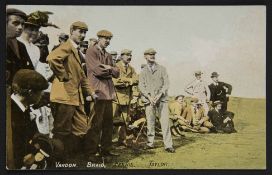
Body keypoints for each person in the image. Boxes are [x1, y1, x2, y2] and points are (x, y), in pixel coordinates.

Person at [47, 21, 95, 158]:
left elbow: (82, 76)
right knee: (62, 130)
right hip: (64, 96)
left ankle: (69, 154)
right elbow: (52, 58)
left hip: (75, 97)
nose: (83, 35)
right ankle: (58, 159)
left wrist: (91, 92)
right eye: (80, 31)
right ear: (71, 31)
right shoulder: (67, 46)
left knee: (81, 127)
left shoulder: (77, 51)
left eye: (85, 32)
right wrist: (64, 76)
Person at [84, 30, 120, 163]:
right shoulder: (91, 51)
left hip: (108, 94)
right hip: (98, 92)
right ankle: (91, 152)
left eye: (109, 38)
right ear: (99, 38)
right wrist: (110, 69)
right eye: (105, 38)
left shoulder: (108, 55)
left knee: (107, 124)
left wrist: (108, 68)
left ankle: (106, 149)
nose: (107, 41)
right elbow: (98, 71)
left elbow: (117, 73)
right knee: (95, 124)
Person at [6, 8, 33, 169]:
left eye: (22, 24)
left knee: (19, 133)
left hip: (19, 99)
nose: (20, 27)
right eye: (15, 23)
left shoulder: (21, 46)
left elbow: (29, 72)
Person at [10, 69, 49, 168]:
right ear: (31, 92)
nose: (42, 95)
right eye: (40, 92)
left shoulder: (22, 108)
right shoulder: (11, 112)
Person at [138, 48, 175, 153]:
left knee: (165, 122)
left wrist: (159, 95)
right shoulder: (143, 71)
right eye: (149, 54)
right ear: (145, 56)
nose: (152, 56)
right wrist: (149, 97)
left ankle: (168, 145)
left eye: (153, 54)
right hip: (149, 100)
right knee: (150, 122)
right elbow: (141, 86)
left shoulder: (162, 69)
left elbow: (166, 83)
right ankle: (150, 143)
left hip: (162, 99)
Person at [112, 49, 138, 147]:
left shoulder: (131, 68)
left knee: (125, 120)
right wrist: (129, 81)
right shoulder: (115, 66)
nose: (129, 57)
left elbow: (136, 79)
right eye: (127, 55)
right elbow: (115, 82)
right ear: (122, 56)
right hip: (116, 97)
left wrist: (126, 81)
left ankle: (121, 140)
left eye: (130, 55)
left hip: (127, 98)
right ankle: (110, 141)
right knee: (113, 119)